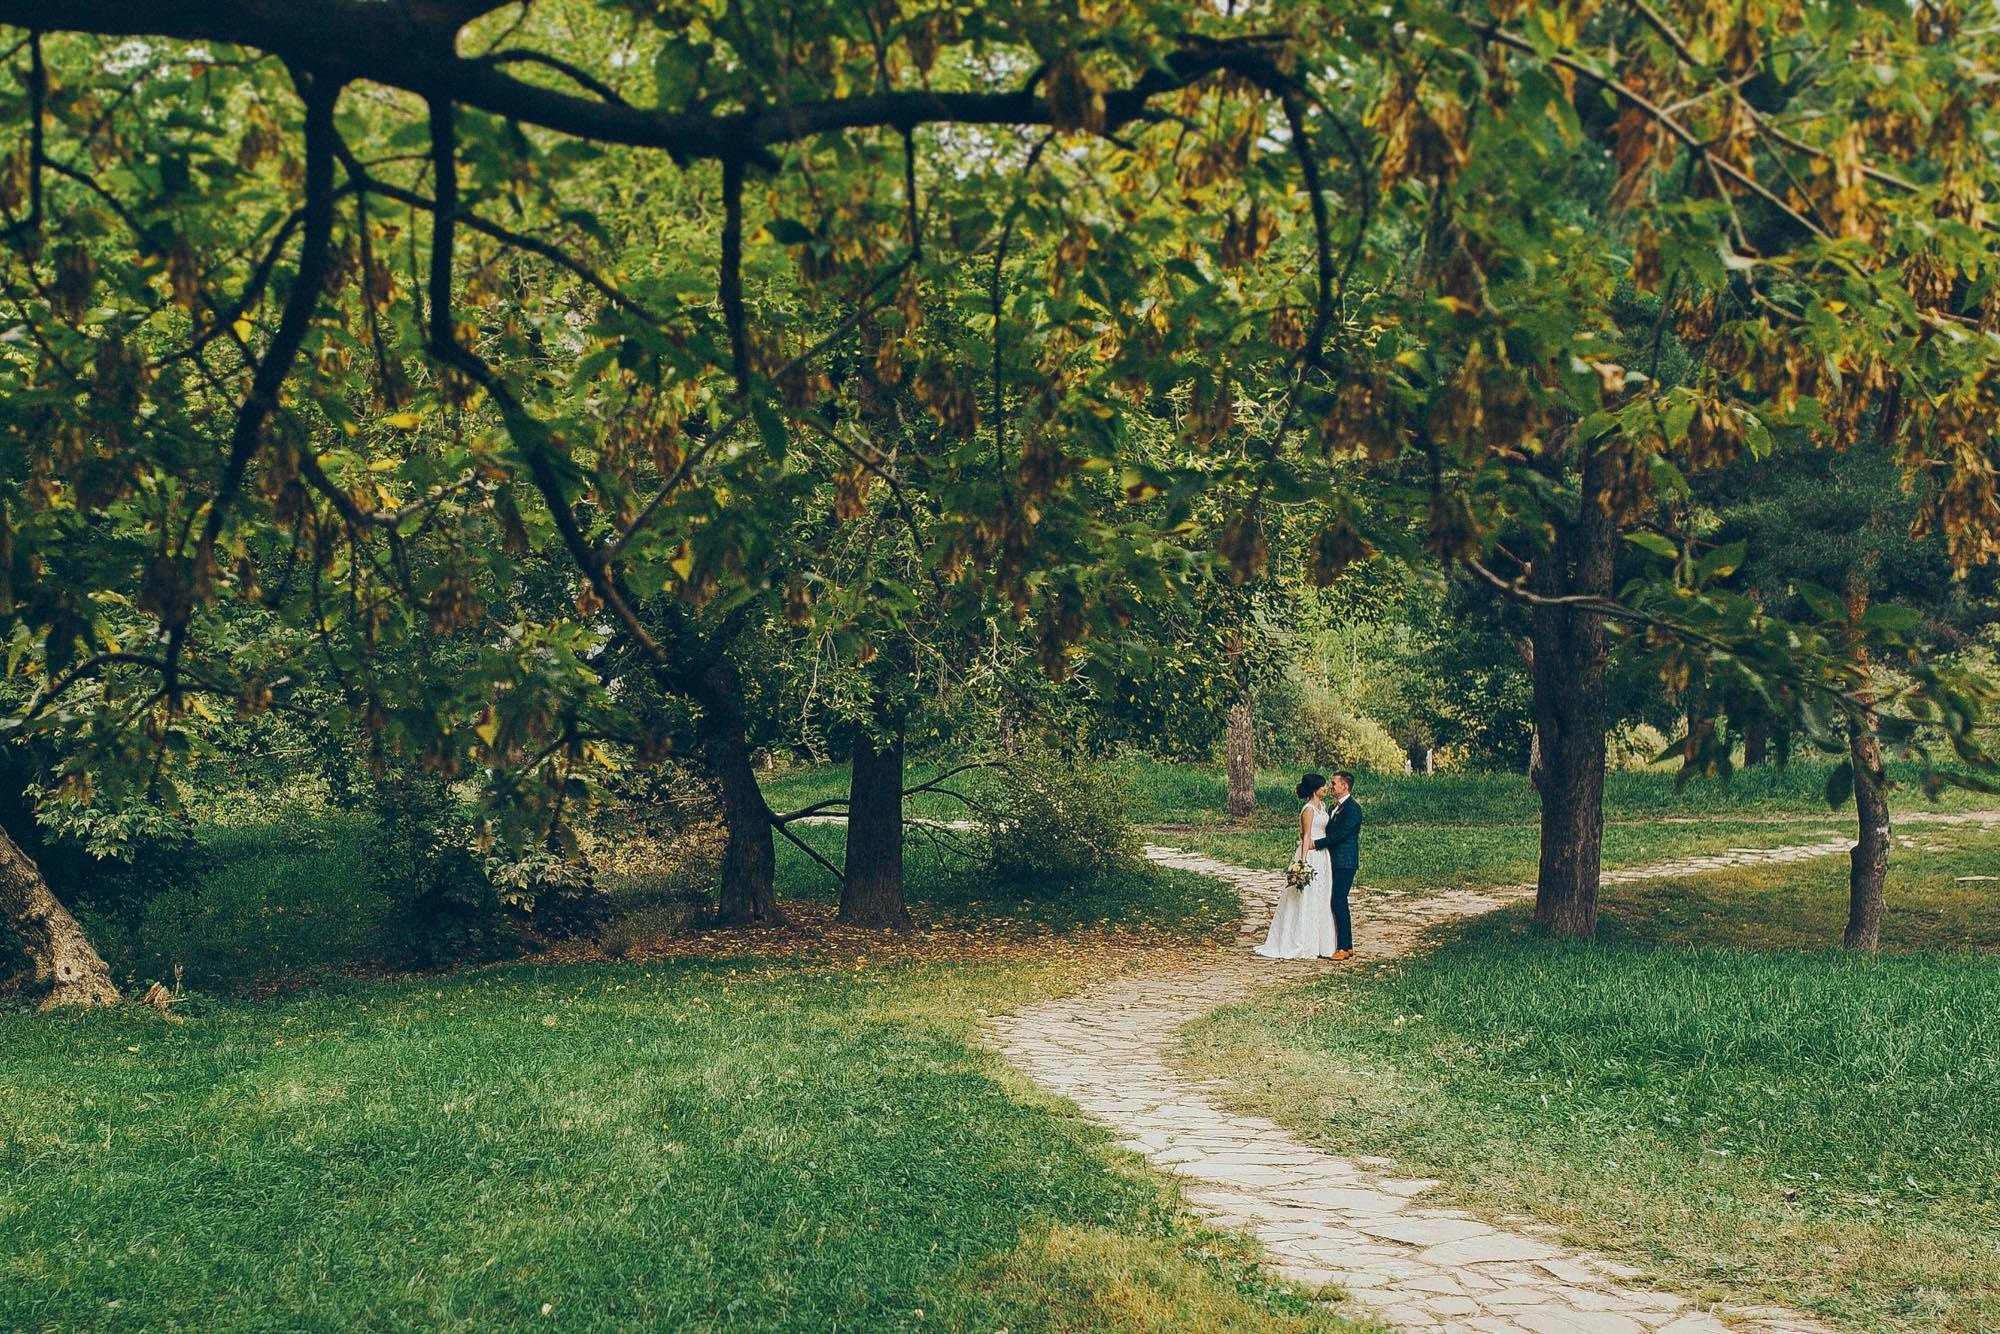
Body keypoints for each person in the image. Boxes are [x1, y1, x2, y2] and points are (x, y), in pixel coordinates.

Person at [1254, 773, 1336, 960]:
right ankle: (1302, 941)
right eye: (1323, 786)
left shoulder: (1323, 807)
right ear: (1315, 789)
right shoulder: (1308, 810)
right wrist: (1303, 861)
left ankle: (1323, 943)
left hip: (1323, 856)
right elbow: (1306, 835)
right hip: (1311, 853)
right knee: (1306, 896)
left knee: (1322, 895)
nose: (1325, 789)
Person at [1314, 770, 1362, 959]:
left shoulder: (1353, 809)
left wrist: (1317, 844)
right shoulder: (1334, 808)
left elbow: (1341, 835)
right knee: (1335, 901)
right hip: (1333, 860)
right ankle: (1346, 944)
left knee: (1338, 901)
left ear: (1345, 786)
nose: (1331, 786)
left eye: (1334, 783)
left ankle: (1344, 946)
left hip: (1345, 861)